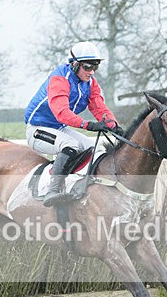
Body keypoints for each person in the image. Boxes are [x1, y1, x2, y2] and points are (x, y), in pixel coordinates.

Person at [24, 41, 124, 206]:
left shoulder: (90, 82)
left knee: (95, 149)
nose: (91, 72)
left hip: (59, 129)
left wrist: (114, 126)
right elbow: (62, 113)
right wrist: (89, 125)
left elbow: (99, 107)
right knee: (70, 145)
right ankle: (52, 190)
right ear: (74, 64)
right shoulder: (59, 79)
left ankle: (82, 185)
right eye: (87, 67)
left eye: (95, 67)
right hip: (38, 129)